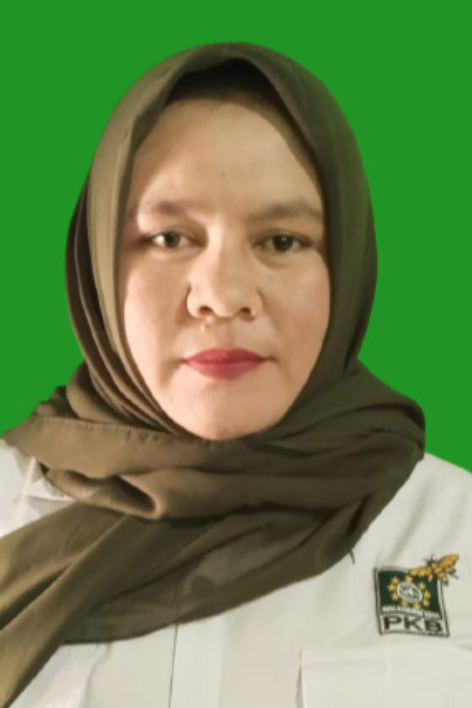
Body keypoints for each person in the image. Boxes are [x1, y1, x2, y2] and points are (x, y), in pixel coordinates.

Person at [0, 42, 471, 708]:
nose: (222, 296)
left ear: (345, 265)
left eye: (282, 241)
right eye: (169, 238)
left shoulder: (454, 530)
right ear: (97, 265)